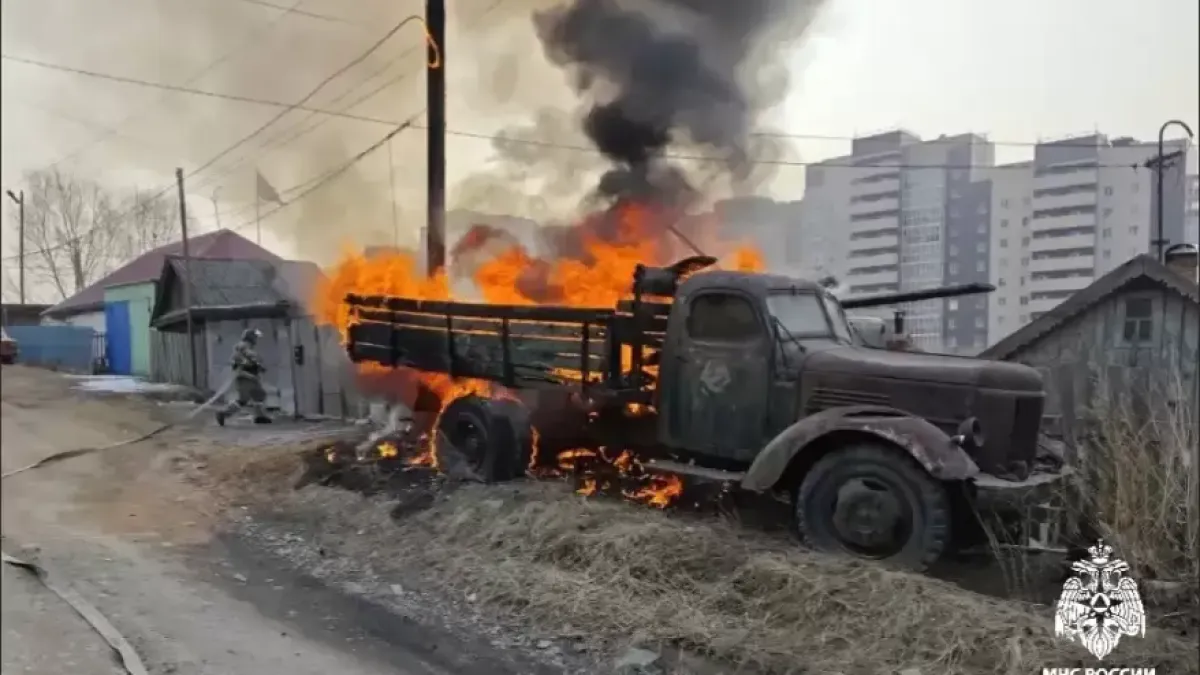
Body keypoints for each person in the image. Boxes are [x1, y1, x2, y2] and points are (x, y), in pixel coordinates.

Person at [216, 328, 271, 426]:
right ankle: (223, 414)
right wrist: (252, 368)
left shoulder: (247, 347)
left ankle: (260, 416)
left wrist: (259, 366)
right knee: (243, 400)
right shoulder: (243, 347)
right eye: (255, 337)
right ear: (251, 338)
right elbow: (240, 362)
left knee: (259, 395)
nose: (256, 340)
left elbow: (253, 361)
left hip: (251, 376)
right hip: (245, 377)